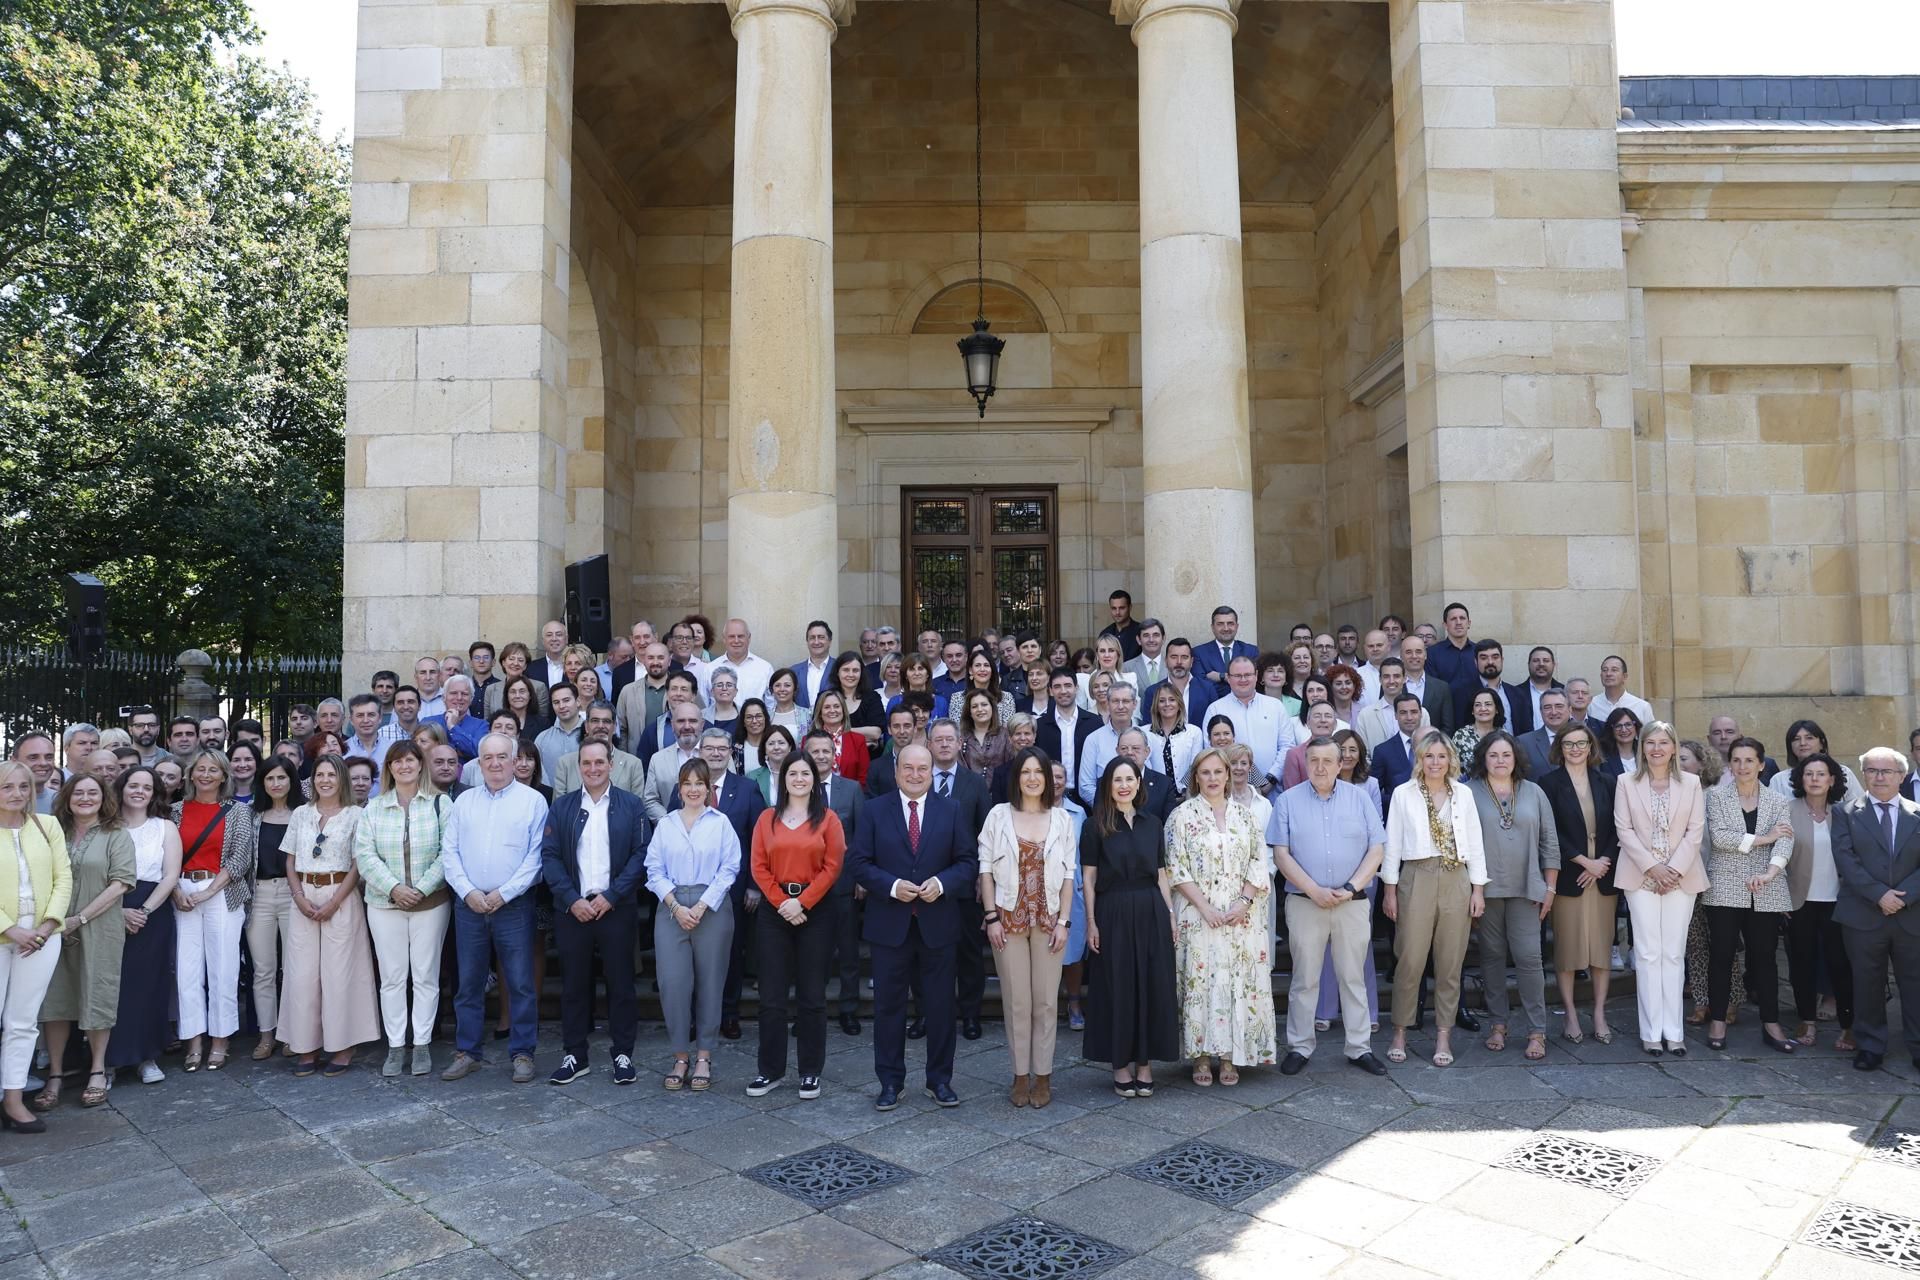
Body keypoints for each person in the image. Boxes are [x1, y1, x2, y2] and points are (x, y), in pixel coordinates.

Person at [844, 743, 976, 1110]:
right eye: (909, 768)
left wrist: (942, 884)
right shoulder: (873, 811)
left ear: (932, 771)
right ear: (897, 770)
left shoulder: (950, 810)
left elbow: (967, 862)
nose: (916, 775)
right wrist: (890, 886)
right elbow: (857, 861)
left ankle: (940, 1080)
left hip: (938, 924)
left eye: (923, 769)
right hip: (890, 925)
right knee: (888, 1008)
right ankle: (890, 1082)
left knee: (940, 1008)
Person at [1270, 738, 1388, 1076]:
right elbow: (1281, 854)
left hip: (1351, 903)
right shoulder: (1289, 801)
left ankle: (1359, 1047)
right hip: (1306, 902)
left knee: (1353, 977)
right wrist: (1313, 889)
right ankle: (1300, 1046)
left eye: (1328, 761)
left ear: (1341, 764)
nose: (1320, 767)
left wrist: (1351, 888)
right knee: (1305, 979)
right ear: (1305, 763)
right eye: (1314, 760)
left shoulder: (1360, 798)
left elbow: (1377, 849)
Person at [439, 733, 548, 1084]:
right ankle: (467, 1052)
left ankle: (522, 1053)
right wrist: (468, 891)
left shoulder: (533, 802)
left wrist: (505, 893)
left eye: (503, 757)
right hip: (469, 905)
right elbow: (450, 852)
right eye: (489, 758)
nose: (496, 763)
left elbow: (536, 859)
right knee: (469, 983)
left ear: (515, 760)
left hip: (514, 905)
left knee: (519, 983)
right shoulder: (464, 802)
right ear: (479, 763)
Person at [542, 739, 649, 1087]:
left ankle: (623, 1054)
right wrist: (572, 899)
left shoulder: (630, 806)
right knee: (574, 984)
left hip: (615, 907)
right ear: (578, 767)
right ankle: (575, 1054)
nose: (593, 769)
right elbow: (550, 858)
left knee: (620, 984)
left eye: (599, 762)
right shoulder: (563, 807)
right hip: (573, 908)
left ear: (611, 764)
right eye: (586, 763)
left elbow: (640, 856)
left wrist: (613, 895)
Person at [1167, 748, 1276, 1086]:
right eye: (1205, 773)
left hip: (1242, 914)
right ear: (1195, 777)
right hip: (1198, 913)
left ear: (1228, 775)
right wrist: (1205, 907)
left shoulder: (1245, 817)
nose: (1212, 778)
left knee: (1238, 982)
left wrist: (1243, 901)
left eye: (1218, 772)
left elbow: (1259, 860)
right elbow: (1176, 866)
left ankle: (1231, 1055)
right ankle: (1201, 1056)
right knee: (1200, 983)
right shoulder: (1181, 816)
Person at [977, 747, 1076, 1107]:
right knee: (1017, 1002)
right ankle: (1020, 1075)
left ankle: (1044, 1076)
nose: (1032, 778)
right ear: (1016, 778)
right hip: (1008, 919)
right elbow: (985, 869)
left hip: (1050, 921)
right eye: (1025, 772)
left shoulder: (1061, 819)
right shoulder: (998, 816)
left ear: (1047, 780)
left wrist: (1065, 922)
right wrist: (990, 917)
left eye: (1039, 772)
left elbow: (1068, 875)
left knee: (1046, 1003)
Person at [1382, 731, 1487, 1067]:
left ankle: (1444, 1033)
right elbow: (1393, 845)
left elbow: (1475, 841)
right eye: (1429, 756)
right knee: (1410, 959)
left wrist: (1478, 889)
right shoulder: (1404, 794)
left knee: (1450, 962)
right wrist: (1390, 890)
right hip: (1417, 875)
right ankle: (1400, 1029)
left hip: (1457, 877)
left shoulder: (1464, 794)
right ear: (1420, 759)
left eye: (1442, 756)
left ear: (1450, 760)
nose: (1436, 762)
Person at [746, 754, 845, 1100]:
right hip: (775, 912)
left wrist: (802, 902)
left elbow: (833, 867)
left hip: (815, 911)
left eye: (806, 773)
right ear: (783, 778)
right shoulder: (765, 819)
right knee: (771, 997)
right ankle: (770, 1071)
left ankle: (809, 1072)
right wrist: (782, 903)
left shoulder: (828, 820)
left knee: (812, 996)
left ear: (815, 779)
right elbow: (758, 866)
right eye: (793, 773)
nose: (799, 778)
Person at [353, 743, 453, 1078]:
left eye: (410, 759)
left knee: (425, 976)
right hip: (384, 905)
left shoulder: (440, 803)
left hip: (431, 904)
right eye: (398, 761)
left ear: (420, 764)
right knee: (393, 978)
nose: (405, 766)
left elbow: (447, 851)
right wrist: (395, 888)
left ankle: (422, 1042)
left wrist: (421, 888)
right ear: (390, 768)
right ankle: (396, 1045)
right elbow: (365, 856)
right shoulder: (374, 808)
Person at [37, 775, 135, 1110]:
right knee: (55, 1000)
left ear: (103, 797)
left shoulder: (115, 833)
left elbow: (120, 884)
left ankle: (96, 1069)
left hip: (99, 927)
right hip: (52, 928)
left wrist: (79, 919)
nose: (85, 798)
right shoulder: (53, 831)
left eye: (92, 792)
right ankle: (56, 1074)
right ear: (66, 797)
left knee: (97, 994)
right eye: (78, 792)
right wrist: (56, 921)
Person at [1614, 721, 1708, 1056]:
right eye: (1650, 742)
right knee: (1648, 953)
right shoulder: (1626, 782)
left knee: (1672, 953)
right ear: (1642, 747)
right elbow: (1623, 829)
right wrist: (1653, 868)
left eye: (1663, 742)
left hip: (1681, 878)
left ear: (1673, 746)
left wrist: (1672, 871)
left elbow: (1695, 832)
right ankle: (1652, 1032)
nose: (1656, 748)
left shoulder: (1692, 783)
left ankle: (1675, 1031)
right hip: (1640, 876)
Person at [1700, 736, 1798, 1056]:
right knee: (1722, 956)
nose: (1742, 766)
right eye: (1736, 760)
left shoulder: (1777, 800)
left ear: (1761, 764)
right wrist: (1764, 838)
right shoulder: (1716, 796)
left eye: (1749, 760)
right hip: (1726, 885)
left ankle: (1771, 1023)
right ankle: (1718, 1020)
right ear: (1730, 764)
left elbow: (1784, 841)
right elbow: (1720, 838)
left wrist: (1770, 872)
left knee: (1765, 959)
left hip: (1766, 886)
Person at [280, 755, 377, 1076]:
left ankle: (342, 1046)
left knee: (340, 975)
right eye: (319, 774)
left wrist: (335, 901)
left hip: (341, 896)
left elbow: (357, 863)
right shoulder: (300, 814)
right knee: (303, 974)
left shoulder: (356, 815)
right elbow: (290, 861)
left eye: (331, 775)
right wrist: (298, 897)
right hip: (304, 896)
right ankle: (306, 1047)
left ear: (342, 780)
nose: (325, 780)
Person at [645, 758, 738, 1091]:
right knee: (673, 984)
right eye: (688, 783)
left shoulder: (721, 823)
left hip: (710, 907)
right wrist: (675, 905)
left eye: (700, 783)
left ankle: (703, 1055)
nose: (694, 789)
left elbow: (729, 869)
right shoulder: (666, 824)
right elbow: (653, 870)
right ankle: (680, 1055)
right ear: (679, 788)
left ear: (709, 788)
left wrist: (699, 906)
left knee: (711, 983)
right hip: (670, 908)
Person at [1466, 732, 1560, 1061]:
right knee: (1491, 957)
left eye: (1506, 754)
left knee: (1529, 959)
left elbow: (1549, 843)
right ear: (1484, 758)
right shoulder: (1468, 792)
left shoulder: (1534, 792)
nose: (1500, 760)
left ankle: (1537, 1030)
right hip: (1485, 889)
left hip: (1526, 888)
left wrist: (1550, 887)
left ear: (1516, 758)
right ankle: (1498, 1024)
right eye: (1493, 755)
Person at [1830, 747, 1920, 1073]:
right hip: (1863, 914)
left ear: (1901, 776)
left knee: (1915, 984)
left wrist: (1903, 897)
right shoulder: (1844, 813)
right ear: (1863, 775)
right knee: (1866, 983)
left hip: (1912, 915)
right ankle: (1869, 1046)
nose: (1879, 777)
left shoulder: (1919, 812)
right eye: (1872, 771)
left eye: (1886, 771)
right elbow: (1846, 860)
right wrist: (1880, 895)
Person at [172, 748, 257, 1073]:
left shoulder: (237, 811)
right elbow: (169, 856)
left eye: (213, 770)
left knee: (223, 969)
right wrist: (177, 890)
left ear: (224, 776)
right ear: (191, 774)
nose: (206, 775)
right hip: (183, 893)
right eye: (200, 769)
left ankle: (220, 1040)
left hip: (221, 893)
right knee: (187, 970)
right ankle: (193, 1040)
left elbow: (240, 857)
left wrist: (208, 891)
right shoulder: (175, 811)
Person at [1537, 723, 1620, 1045]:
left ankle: (1599, 1012)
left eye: (1581, 743)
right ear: (1560, 747)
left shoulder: (1608, 781)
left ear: (1590, 746)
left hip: (1602, 876)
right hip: (1570, 875)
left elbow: (1619, 827)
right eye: (1568, 743)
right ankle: (1570, 1013)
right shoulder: (1548, 783)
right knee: (1568, 950)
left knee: (1601, 948)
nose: (1575, 749)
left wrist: (1602, 864)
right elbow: (1550, 830)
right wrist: (1583, 861)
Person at [0, 764, 70, 1132]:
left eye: (22, 786)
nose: (16, 793)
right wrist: (10, 929)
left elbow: (64, 877)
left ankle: (13, 1099)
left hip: (42, 936)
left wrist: (46, 926)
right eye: (6, 786)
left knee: (23, 1021)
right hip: (4, 934)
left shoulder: (48, 825)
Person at [103, 768, 179, 1085]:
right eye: (133, 785)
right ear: (121, 789)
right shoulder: (105, 827)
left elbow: (170, 875)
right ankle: (106, 1063)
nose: (139, 791)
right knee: (111, 989)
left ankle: (146, 1057)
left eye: (146, 787)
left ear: (154, 793)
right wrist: (119, 912)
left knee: (148, 986)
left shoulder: (165, 827)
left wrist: (143, 911)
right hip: (108, 910)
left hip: (153, 912)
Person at [1786, 753, 1854, 1051]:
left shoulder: (1847, 813)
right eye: (1809, 774)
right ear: (1801, 779)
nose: (1814, 779)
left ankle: (1849, 1026)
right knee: (1802, 963)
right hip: (1799, 901)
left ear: (1832, 780)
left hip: (1837, 902)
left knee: (1841, 964)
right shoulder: (1786, 811)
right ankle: (1806, 1020)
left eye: (1821, 774)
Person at [245, 755, 297, 1061]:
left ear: (291, 780)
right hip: (261, 896)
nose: (276, 784)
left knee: (294, 969)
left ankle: (293, 1032)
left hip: (294, 896)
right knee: (263, 971)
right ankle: (267, 1035)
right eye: (270, 779)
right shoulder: (251, 815)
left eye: (281, 778)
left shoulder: (304, 814)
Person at [1146, 683, 1203, 798]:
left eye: (1172, 700)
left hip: (1186, 796)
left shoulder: (1193, 732)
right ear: (1156, 705)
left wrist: (1187, 796)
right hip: (1155, 797)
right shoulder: (1144, 733)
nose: (1167, 704)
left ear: (1179, 704)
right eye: (1162, 701)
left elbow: (1195, 766)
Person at [957, 689, 1011, 785]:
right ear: (969, 712)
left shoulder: (1005, 735)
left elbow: (1009, 767)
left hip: (999, 792)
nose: (980, 709)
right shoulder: (961, 736)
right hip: (969, 793)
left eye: (984, 704)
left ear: (992, 707)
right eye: (974, 706)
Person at [1451, 688, 1504, 774]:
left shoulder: (1504, 735)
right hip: (1468, 785)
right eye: (1478, 705)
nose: (1483, 708)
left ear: (1497, 709)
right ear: (1472, 711)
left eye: (1488, 704)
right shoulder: (1461, 736)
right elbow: (1452, 768)